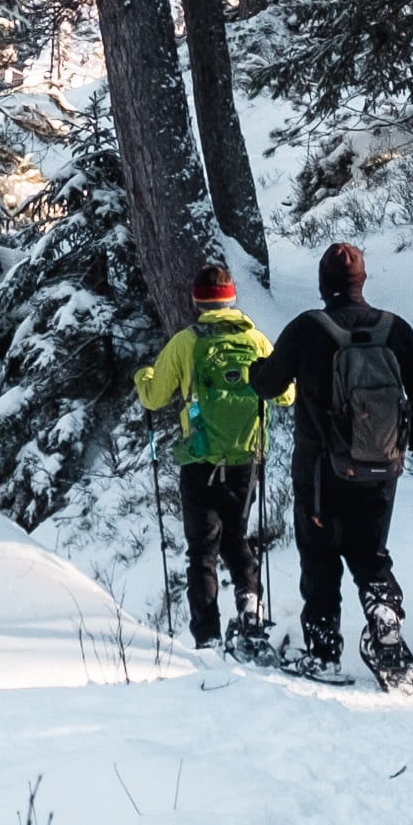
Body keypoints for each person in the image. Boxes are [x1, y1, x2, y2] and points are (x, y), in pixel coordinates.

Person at [256, 241, 413, 689]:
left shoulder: (307, 329)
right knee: (370, 552)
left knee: (320, 557)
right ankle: (384, 620)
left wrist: (256, 370)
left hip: (320, 470)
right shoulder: (395, 329)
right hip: (381, 468)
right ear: (362, 282)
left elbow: (270, 382)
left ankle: (323, 654)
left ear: (322, 285)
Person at [131, 263, 274, 649]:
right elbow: (286, 394)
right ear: (232, 299)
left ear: (197, 300)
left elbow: (155, 396)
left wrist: (142, 376)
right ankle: (251, 607)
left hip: (200, 460)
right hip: (246, 457)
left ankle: (207, 637)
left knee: (202, 552)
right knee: (237, 537)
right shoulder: (257, 340)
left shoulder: (185, 342)